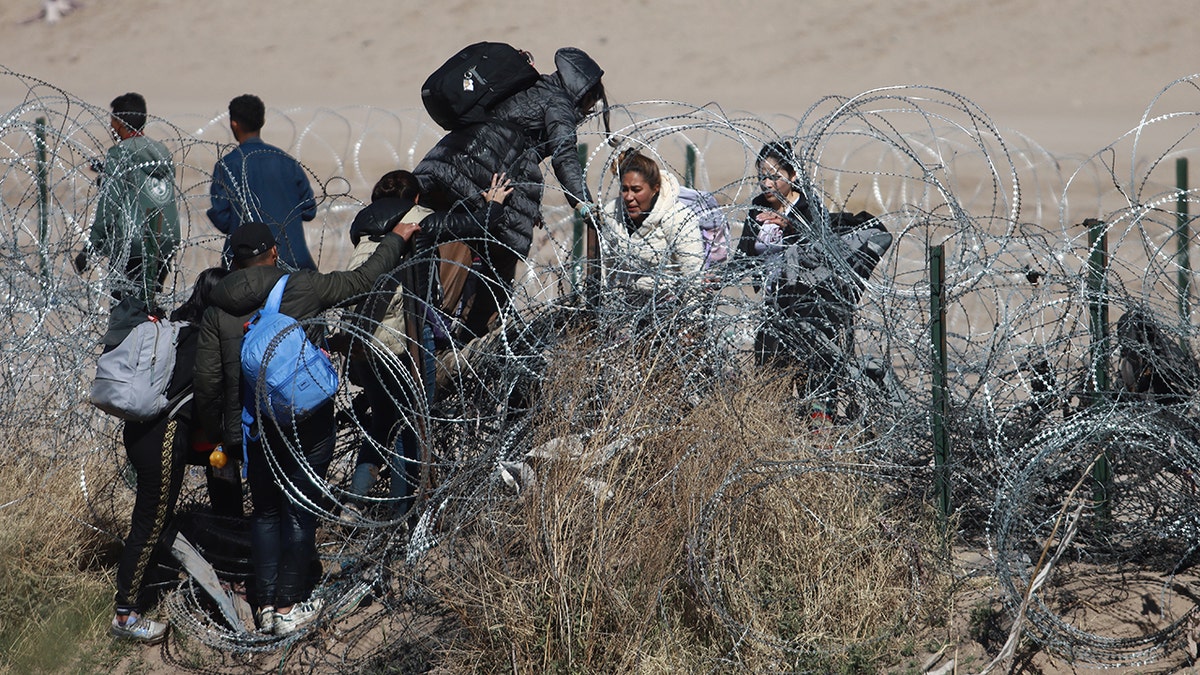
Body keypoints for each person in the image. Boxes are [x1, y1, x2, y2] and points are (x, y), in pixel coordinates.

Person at [193, 219, 420, 635]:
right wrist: (396, 239)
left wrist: (223, 437)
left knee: (263, 513)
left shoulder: (217, 308)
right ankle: (288, 607)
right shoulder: (301, 286)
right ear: (274, 253)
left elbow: (208, 382)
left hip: (253, 425)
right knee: (299, 511)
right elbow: (365, 278)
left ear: (234, 261)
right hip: (306, 422)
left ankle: (264, 604)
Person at [343, 170, 513, 519]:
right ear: (416, 200)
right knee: (409, 424)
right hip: (400, 345)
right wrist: (493, 204)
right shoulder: (418, 219)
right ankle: (400, 515)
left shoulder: (365, 227)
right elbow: (480, 226)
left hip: (359, 341)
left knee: (382, 421)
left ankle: (354, 503)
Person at [414, 46, 609, 340]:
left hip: (450, 159)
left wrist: (531, 206)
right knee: (494, 258)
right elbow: (564, 156)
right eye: (591, 103)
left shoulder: (533, 88)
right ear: (584, 92)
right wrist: (582, 203)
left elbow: (514, 151)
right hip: (481, 174)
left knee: (440, 243)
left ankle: (429, 328)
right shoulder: (558, 103)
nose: (589, 111)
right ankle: (455, 343)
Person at [109, 266, 228, 645]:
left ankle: (136, 598)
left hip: (140, 431)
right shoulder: (207, 337)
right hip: (163, 438)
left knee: (150, 520)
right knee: (148, 524)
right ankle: (125, 615)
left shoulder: (176, 324)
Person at [76, 92, 180, 307]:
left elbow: (109, 206)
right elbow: (145, 188)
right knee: (150, 307)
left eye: (112, 119)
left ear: (119, 122)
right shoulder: (162, 153)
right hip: (166, 241)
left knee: (124, 313)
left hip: (132, 244)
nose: (111, 125)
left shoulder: (119, 153)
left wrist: (90, 248)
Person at [207, 94, 319, 271]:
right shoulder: (286, 161)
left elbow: (222, 217)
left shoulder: (228, 166)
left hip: (246, 265)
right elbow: (309, 210)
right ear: (263, 121)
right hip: (295, 262)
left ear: (233, 123)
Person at [600, 150, 707, 292]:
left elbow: (694, 281)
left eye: (636, 190)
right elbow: (606, 270)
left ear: (655, 188)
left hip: (671, 306)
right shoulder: (612, 213)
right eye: (624, 189)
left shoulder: (677, 218)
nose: (629, 197)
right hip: (625, 307)